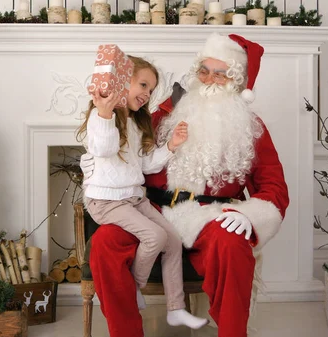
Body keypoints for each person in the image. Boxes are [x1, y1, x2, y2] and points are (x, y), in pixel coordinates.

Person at [80, 34, 290, 337]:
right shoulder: (160, 116)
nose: (209, 79)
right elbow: (119, 150)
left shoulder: (251, 128)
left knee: (232, 242)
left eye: (220, 73)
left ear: (236, 81)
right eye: (204, 70)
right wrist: (91, 166)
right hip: (150, 209)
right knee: (104, 244)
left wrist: (249, 216)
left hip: (211, 217)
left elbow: (273, 187)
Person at [77, 55, 209, 331]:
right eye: (143, 85)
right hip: (107, 201)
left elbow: (145, 164)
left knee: (172, 239)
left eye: (151, 89)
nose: (147, 93)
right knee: (156, 236)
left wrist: (172, 146)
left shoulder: (137, 122)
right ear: (123, 81)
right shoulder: (102, 118)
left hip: (133, 197)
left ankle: (176, 308)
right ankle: (134, 288)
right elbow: (103, 148)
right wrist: (103, 113)